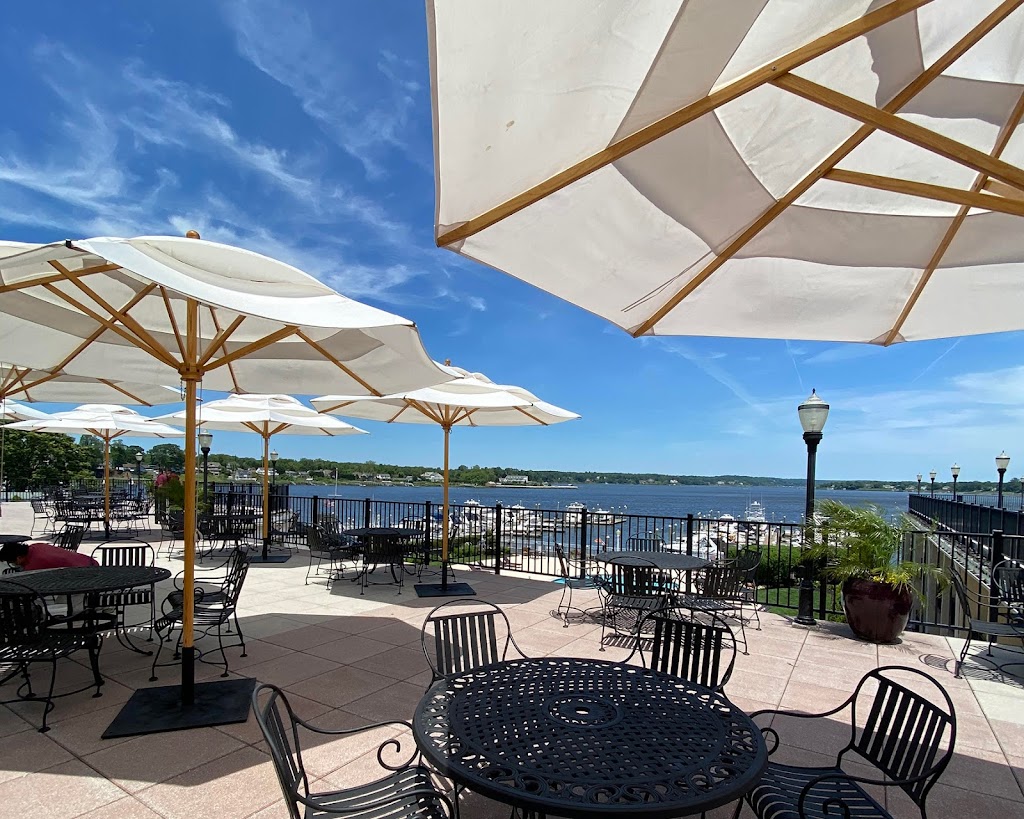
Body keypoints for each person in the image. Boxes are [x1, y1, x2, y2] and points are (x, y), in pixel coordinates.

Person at [0, 540, 98, 571]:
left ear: (19, 558)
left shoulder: (34, 564)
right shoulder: (36, 546)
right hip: (89, 562)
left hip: (86, 573)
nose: (13, 564)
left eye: (12, 562)